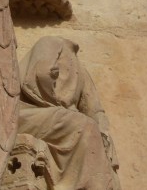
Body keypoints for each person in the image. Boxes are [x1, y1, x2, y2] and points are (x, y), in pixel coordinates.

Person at [18, 36, 121, 190]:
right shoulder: (51, 43)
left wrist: (104, 132)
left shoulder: (81, 71)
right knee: (83, 125)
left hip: (60, 117)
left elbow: (95, 109)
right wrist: (55, 101)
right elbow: (37, 76)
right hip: (29, 113)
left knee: (97, 136)